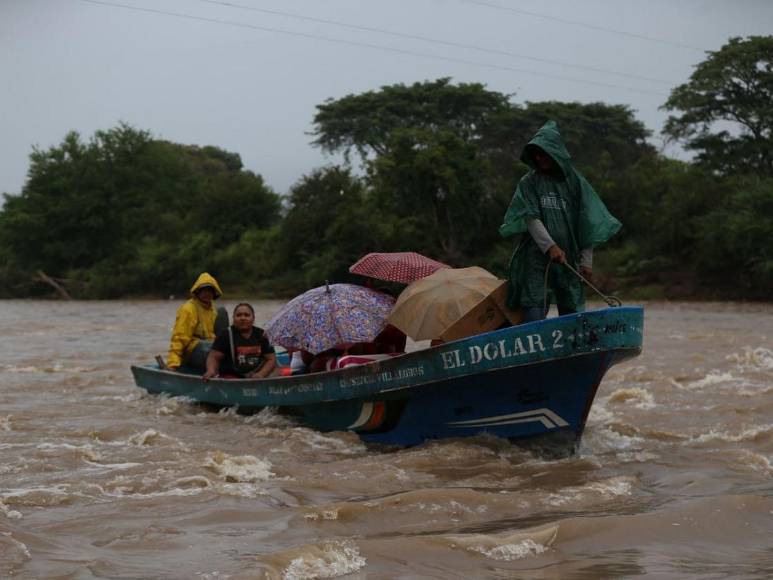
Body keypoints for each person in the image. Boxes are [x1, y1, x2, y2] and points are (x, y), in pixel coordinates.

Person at [499, 121, 621, 322]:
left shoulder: (575, 182)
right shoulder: (529, 182)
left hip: (569, 257)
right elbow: (531, 218)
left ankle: (574, 352)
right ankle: (536, 350)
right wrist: (550, 247)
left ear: (555, 152)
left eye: (544, 153)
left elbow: (587, 223)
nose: (540, 158)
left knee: (572, 310)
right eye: (536, 154)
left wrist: (586, 261)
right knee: (535, 308)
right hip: (536, 259)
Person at [202, 303, 277, 380]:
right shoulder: (225, 335)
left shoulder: (262, 335)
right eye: (238, 315)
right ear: (233, 318)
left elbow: (271, 359)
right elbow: (214, 357)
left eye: (247, 315)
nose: (242, 318)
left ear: (253, 318)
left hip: (256, 375)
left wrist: (261, 374)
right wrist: (211, 371)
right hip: (232, 377)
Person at [167, 272, 223, 370]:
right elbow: (179, 338)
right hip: (192, 352)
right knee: (208, 349)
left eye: (210, 291)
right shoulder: (188, 309)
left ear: (214, 293)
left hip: (211, 348)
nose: (207, 294)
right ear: (197, 291)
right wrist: (173, 364)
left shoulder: (215, 311)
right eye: (204, 291)